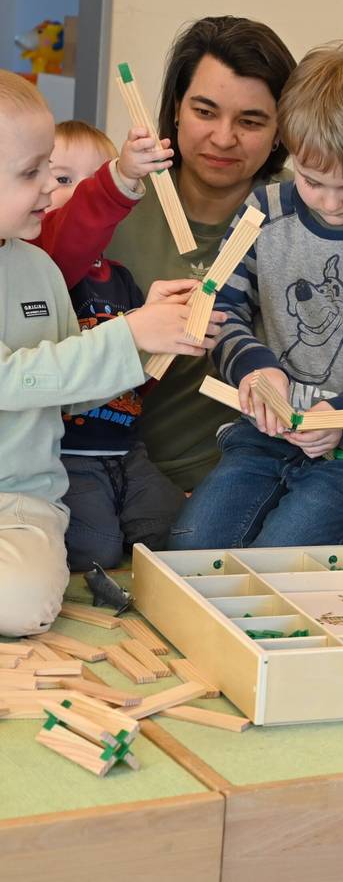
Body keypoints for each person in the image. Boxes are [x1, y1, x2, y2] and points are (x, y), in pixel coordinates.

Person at [168, 41, 343, 549]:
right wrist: (255, 368)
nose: (330, 203)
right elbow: (222, 307)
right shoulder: (262, 211)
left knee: (283, 557)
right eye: (312, 180)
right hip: (268, 431)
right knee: (192, 548)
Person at [0, 71, 223, 637]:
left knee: (22, 608)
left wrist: (150, 341)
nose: (51, 188)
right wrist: (129, 335)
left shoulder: (39, 269)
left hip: (20, 503)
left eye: (50, 168)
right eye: (32, 173)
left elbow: (67, 386)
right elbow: (9, 379)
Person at [104, 16, 297, 491]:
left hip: (254, 476)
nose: (224, 138)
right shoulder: (114, 203)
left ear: (280, 132)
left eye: (250, 121)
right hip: (115, 473)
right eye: (205, 112)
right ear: (175, 109)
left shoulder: (306, 214)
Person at [49, 121, 185, 569]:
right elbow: (70, 233)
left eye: (88, 181)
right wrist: (117, 179)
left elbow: (137, 373)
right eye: (62, 179)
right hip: (70, 455)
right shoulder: (49, 274)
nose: (75, 194)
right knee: (97, 550)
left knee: (172, 530)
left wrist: (173, 333)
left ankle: (121, 519)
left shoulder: (122, 279)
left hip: (127, 450)